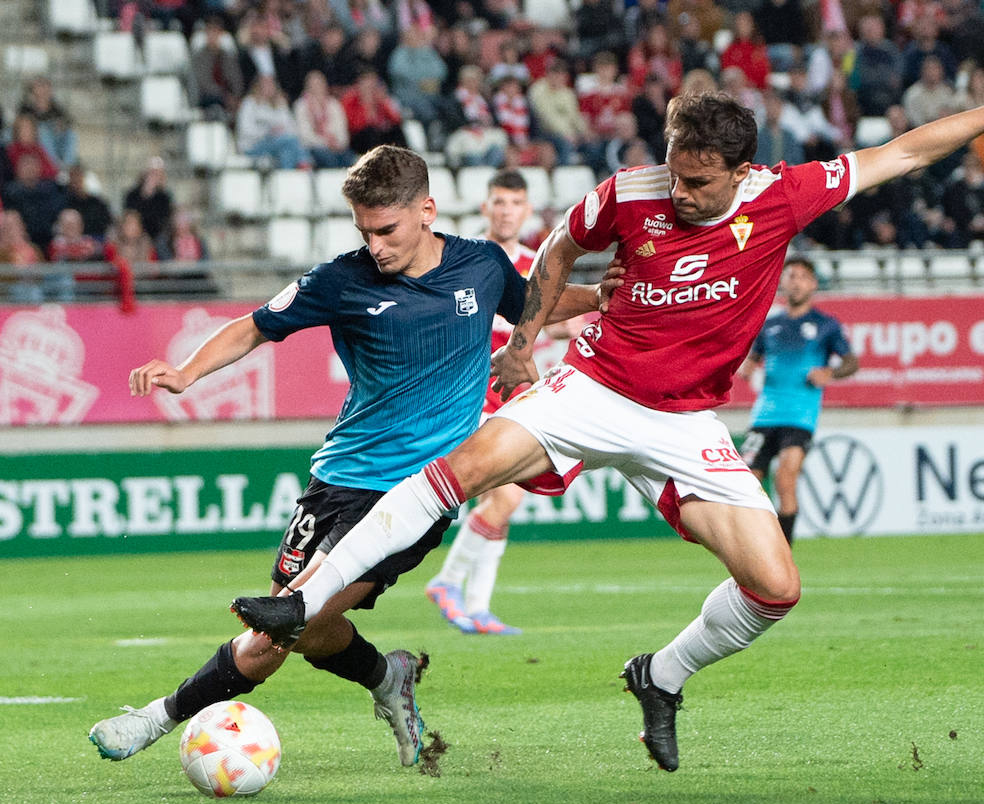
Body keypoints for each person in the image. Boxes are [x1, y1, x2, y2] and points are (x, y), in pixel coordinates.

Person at [229, 64, 984, 773]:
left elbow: (904, 151)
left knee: (776, 587)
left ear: (739, 170)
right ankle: (298, 602)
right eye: (673, 171)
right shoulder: (630, 192)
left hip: (687, 423)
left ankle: (662, 676)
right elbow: (563, 247)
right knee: (462, 470)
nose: (677, 190)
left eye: (697, 180)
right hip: (594, 387)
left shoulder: (784, 196)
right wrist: (527, 340)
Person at [88, 146, 607, 769]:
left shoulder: (481, 267)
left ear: (427, 210)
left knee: (281, 625)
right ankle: (389, 678)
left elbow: (536, 304)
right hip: (336, 479)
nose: (376, 245)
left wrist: (603, 295)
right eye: (364, 231)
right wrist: (185, 372)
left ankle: (156, 718)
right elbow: (256, 324)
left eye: (386, 230)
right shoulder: (341, 279)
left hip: (419, 491)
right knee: (310, 630)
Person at [424, 169, 584, 635]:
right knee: (509, 494)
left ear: (527, 210)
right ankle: (448, 582)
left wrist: (567, 324)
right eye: (499, 202)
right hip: (472, 395)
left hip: (514, 397)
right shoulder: (464, 259)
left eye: (515, 203)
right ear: (485, 208)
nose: (506, 211)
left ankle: (476, 605)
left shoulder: (539, 265)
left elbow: (548, 322)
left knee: (501, 500)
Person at [737, 257, 858, 544]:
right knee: (746, 482)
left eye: (803, 276)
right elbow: (751, 361)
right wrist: (748, 367)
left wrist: (831, 371)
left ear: (813, 284)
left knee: (785, 478)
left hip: (800, 416)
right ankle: (757, 544)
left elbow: (851, 362)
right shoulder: (771, 324)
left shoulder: (825, 325)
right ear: (783, 281)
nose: (796, 281)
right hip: (764, 414)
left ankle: (783, 553)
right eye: (791, 275)